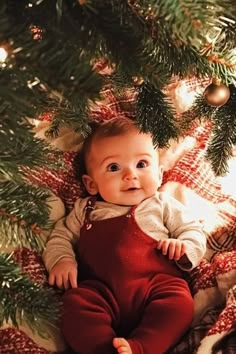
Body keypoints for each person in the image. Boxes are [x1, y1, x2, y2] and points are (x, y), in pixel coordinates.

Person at [43, 117, 206, 354]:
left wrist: (182, 246)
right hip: (100, 292)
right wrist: (62, 260)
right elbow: (61, 237)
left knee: (179, 305)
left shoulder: (161, 204)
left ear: (159, 174)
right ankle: (105, 349)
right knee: (73, 305)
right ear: (91, 184)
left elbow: (193, 230)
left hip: (157, 288)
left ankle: (141, 348)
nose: (130, 175)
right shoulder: (85, 209)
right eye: (113, 168)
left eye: (141, 164)